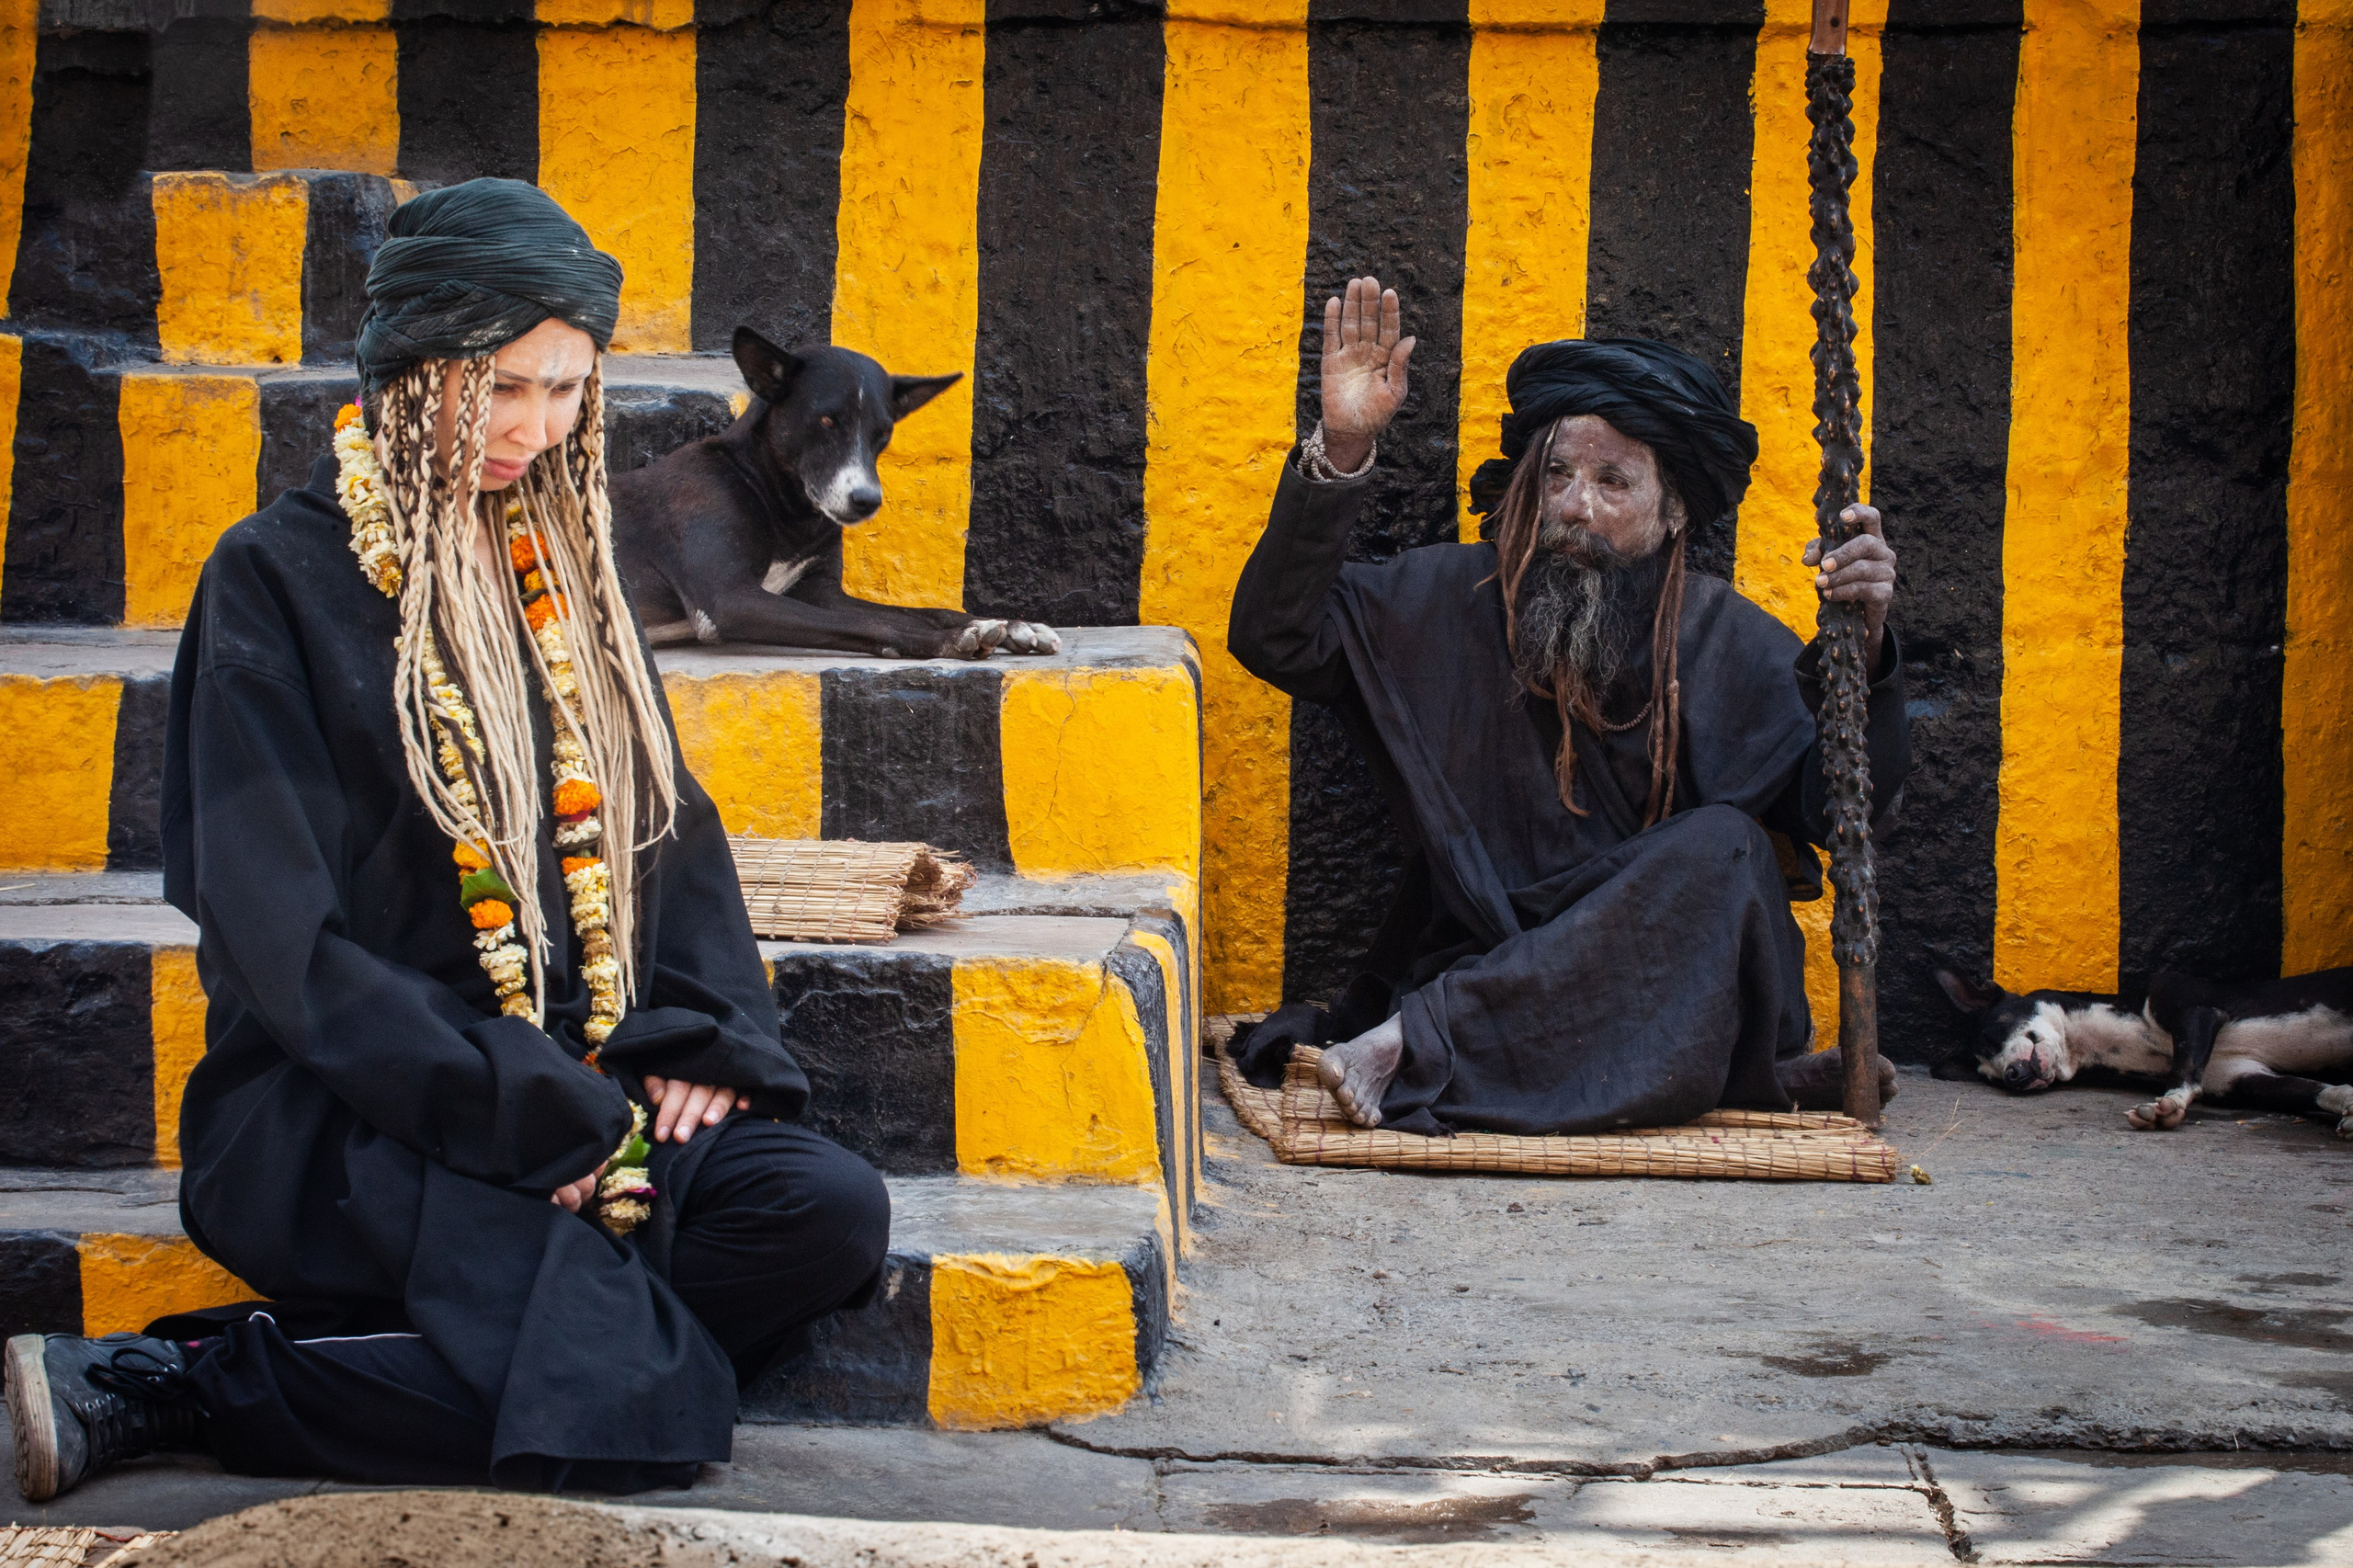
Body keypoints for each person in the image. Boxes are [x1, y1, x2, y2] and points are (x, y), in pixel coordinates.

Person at [5, 180, 889, 1502]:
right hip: (354, 1114)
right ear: (413, 371)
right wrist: (530, 1116)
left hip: (585, 1081)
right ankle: (186, 1382)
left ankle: (545, 1351)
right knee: (629, 1402)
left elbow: (667, 821)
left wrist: (711, 1027)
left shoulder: (565, 558)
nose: (535, 431)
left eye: (568, 391)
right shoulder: (274, 579)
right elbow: (281, 945)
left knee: (827, 1215)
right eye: (502, 388)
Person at [1228, 277, 1907, 1135]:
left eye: (1613, 482)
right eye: (1557, 475)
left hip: (1662, 994)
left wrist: (1868, 644)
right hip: (1502, 969)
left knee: (1725, 849)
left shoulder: (1721, 638)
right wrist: (1342, 447)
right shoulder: (1454, 598)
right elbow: (1274, 638)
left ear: (1671, 514)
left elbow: (1842, 809)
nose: (1574, 507)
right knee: (1535, 952)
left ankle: (1426, 1040)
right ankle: (1447, 1037)